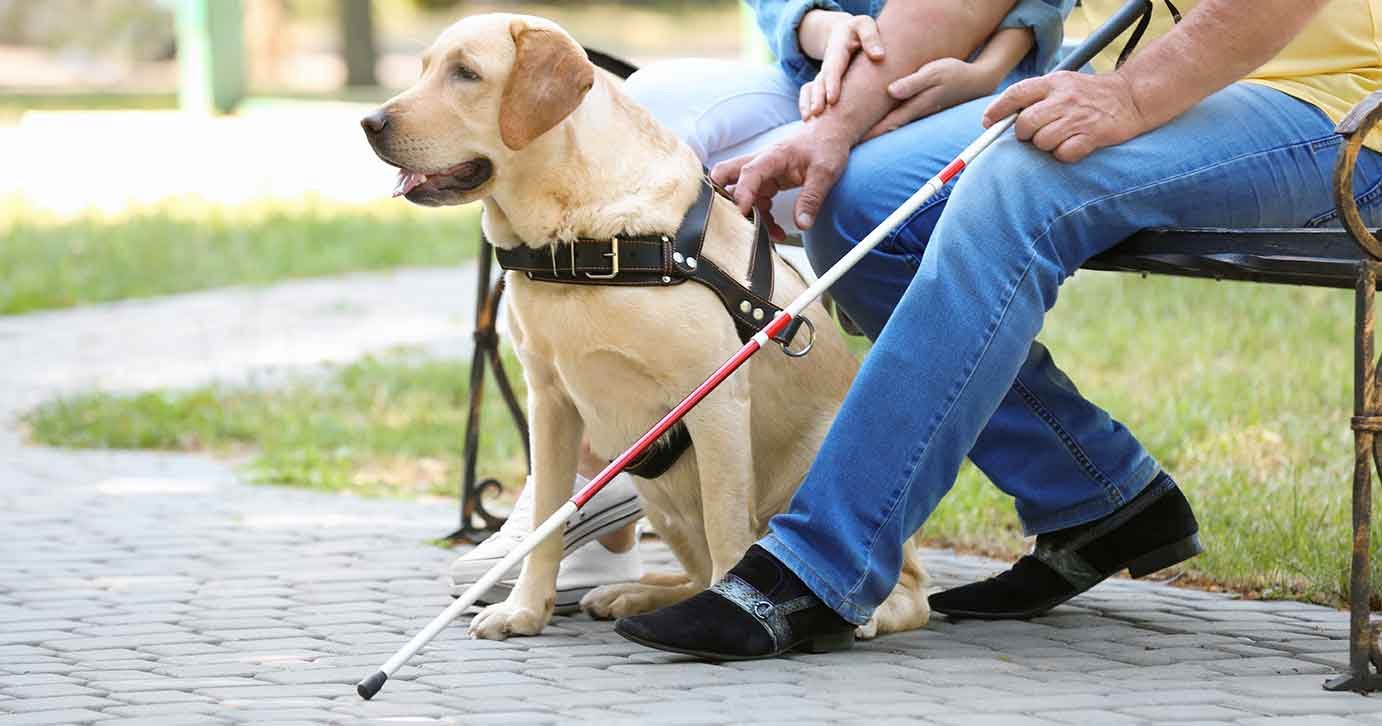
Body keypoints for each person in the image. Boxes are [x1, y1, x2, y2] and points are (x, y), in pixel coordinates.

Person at [615, 0, 1382, 660]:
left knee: (1024, 183)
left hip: (1336, 113)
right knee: (861, 205)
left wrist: (1131, 97)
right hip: (1157, 86)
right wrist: (837, 128)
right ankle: (1096, 497)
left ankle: (818, 566)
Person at [448, 0, 1072, 607]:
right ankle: (606, 464)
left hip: (961, 73)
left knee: (849, 190)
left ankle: (667, 413)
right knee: (651, 98)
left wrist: (994, 61)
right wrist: (814, 25)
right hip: (806, 71)